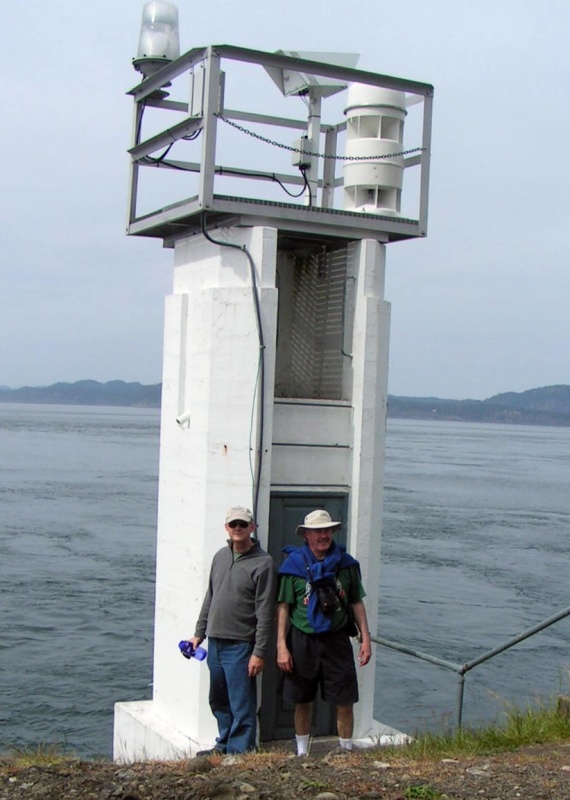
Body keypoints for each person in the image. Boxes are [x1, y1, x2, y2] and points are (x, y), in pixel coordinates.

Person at [276, 509, 372, 756]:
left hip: (337, 639)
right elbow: (284, 607)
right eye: (318, 531)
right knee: (302, 699)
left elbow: (356, 602)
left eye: (327, 530)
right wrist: (281, 647)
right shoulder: (293, 567)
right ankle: (302, 753)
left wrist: (365, 638)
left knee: (345, 700)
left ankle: (345, 752)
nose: (324, 535)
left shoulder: (346, 565)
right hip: (302, 640)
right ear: (306, 535)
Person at [188, 506, 277, 755]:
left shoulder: (264, 563)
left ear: (252, 527)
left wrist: (259, 652)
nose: (238, 528)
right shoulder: (219, 556)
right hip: (215, 643)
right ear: (227, 528)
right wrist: (198, 634)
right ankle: (224, 744)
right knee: (218, 699)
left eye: (243, 524)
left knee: (241, 702)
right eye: (233, 524)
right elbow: (210, 597)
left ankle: (240, 752)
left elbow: (265, 611)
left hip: (241, 645)